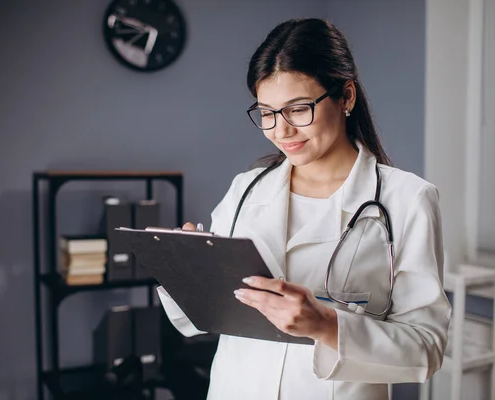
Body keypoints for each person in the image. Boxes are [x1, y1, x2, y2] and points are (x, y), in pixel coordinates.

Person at [157, 17, 451, 399]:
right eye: (266, 112)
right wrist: (186, 269)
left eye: (297, 109)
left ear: (346, 97)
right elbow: (201, 318)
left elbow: (426, 349)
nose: (281, 131)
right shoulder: (246, 189)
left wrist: (326, 325)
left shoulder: (407, 200)